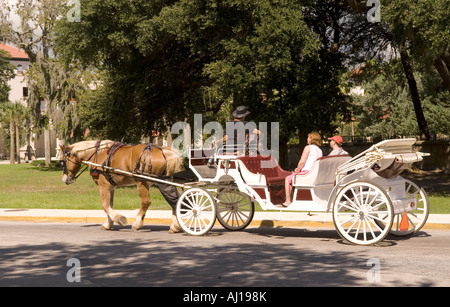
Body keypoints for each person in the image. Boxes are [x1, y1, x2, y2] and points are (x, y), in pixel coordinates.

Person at [278, 132, 323, 207]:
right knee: (291, 178)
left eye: (308, 137)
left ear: (311, 139)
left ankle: (288, 201)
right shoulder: (319, 150)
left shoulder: (308, 148)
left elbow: (302, 162)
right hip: (314, 174)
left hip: (307, 174)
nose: (307, 139)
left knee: (288, 179)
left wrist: (297, 172)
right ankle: (292, 200)